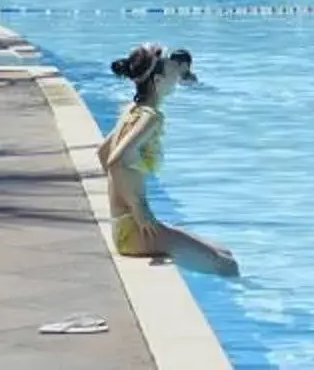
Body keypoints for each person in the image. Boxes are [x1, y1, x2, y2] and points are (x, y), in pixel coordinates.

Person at [98, 43, 238, 278]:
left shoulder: (133, 109)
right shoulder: (150, 118)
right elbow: (114, 161)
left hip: (123, 224)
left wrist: (123, 198)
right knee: (227, 266)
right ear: (158, 81)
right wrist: (139, 208)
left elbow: (103, 154)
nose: (177, 74)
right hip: (133, 229)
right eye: (171, 70)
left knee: (223, 252)